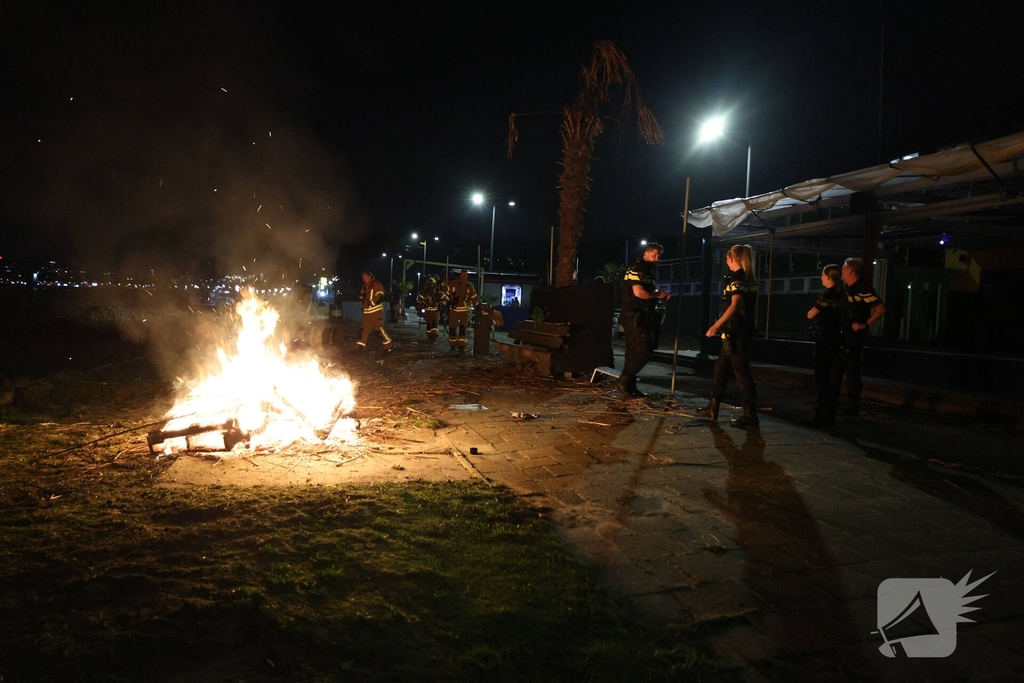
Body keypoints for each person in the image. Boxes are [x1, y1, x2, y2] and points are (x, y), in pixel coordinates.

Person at [697, 244, 760, 427]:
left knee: (741, 373)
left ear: (731, 259)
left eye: (726, 257)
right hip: (738, 332)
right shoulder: (748, 279)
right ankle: (713, 406)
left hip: (736, 333)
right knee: (720, 368)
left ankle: (750, 415)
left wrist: (716, 325)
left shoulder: (737, 279)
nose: (725, 260)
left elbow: (734, 305)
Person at [617, 242, 671, 398]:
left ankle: (629, 387)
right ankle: (624, 380)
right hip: (635, 316)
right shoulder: (639, 269)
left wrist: (658, 295)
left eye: (659, 256)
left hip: (637, 315)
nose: (657, 259)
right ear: (645, 254)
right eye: (654, 255)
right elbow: (639, 293)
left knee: (632, 352)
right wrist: (657, 295)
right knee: (644, 350)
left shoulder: (646, 270)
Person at [840, 257, 886, 416]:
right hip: (844, 334)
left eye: (844, 268)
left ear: (851, 270)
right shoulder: (847, 288)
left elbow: (880, 309)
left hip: (853, 336)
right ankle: (847, 403)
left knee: (852, 369)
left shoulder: (862, 289)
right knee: (843, 368)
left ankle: (853, 405)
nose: (842, 271)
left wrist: (864, 324)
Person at [805, 264, 848, 428]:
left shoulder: (828, 295)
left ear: (829, 277)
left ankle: (821, 415)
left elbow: (811, 314)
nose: (821, 277)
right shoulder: (841, 295)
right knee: (830, 378)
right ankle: (829, 415)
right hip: (836, 340)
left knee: (821, 378)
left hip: (825, 340)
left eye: (823, 275)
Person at [356, 270, 392, 353]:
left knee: (379, 331)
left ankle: (388, 347)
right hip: (367, 314)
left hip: (376, 314)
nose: (363, 279)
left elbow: (381, 297)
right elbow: (362, 299)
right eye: (362, 278)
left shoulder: (377, 285)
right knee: (363, 331)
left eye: (365, 278)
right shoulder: (364, 287)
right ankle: (358, 348)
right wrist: (361, 294)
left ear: (370, 277)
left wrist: (371, 303)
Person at [444, 270, 478, 352]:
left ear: (467, 276)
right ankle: (452, 345)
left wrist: (477, 307)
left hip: (464, 311)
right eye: (462, 275)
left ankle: (461, 346)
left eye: (465, 275)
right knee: (452, 328)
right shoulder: (452, 284)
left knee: (463, 328)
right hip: (454, 311)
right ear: (460, 275)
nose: (463, 276)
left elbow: (474, 298)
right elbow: (445, 290)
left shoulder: (469, 286)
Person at [416, 276, 445, 341]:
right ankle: (429, 336)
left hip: (436, 311)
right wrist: (419, 305)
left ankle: (434, 336)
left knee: (435, 324)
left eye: (432, 284)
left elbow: (444, 298)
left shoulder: (438, 292)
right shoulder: (424, 292)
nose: (431, 285)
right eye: (429, 284)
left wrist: (442, 303)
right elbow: (420, 298)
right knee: (429, 324)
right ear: (427, 284)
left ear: (434, 284)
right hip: (428, 311)